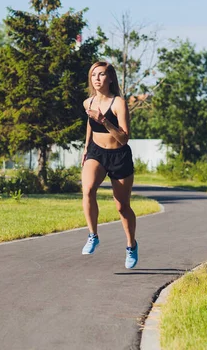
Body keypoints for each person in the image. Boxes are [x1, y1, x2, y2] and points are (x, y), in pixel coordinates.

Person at [81, 61, 138, 269]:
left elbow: (124, 138)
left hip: (119, 156)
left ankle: (131, 245)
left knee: (122, 207)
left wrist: (104, 120)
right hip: (97, 152)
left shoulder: (118, 103)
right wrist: (86, 147)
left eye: (102, 74)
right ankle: (92, 235)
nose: (97, 78)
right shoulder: (88, 103)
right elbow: (90, 123)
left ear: (110, 78)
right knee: (87, 190)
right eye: (94, 75)